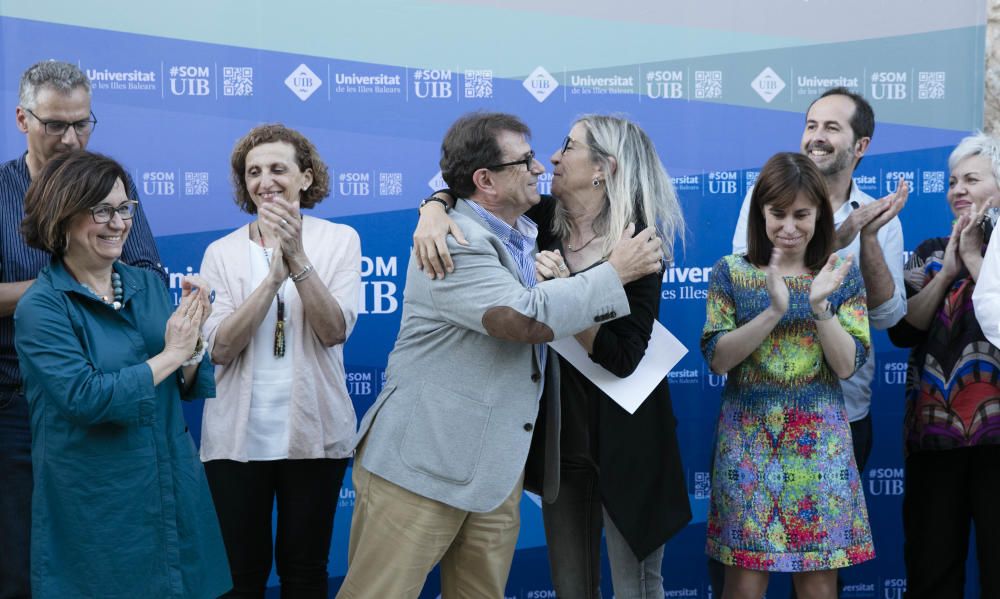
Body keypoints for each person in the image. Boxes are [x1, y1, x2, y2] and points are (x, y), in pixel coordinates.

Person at [337, 112, 663, 598]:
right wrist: (612, 273)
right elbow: (523, 319)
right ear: (487, 181)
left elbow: (621, 351)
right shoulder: (453, 238)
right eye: (526, 159)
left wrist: (435, 202)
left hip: (496, 475)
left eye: (550, 152)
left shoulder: (527, 229)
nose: (541, 164)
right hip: (425, 464)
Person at [413, 115, 692, 597]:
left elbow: (621, 356)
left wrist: (570, 294)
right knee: (570, 585)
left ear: (605, 167)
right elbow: (470, 192)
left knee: (638, 588)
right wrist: (433, 209)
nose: (554, 158)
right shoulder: (536, 220)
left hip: (631, 440)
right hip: (561, 440)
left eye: (569, 146)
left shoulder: (639, 244)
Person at [13, 150, 229, 598]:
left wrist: (192, 343)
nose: (119, 223)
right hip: (99, 503)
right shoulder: (42, 306)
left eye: (125, 208)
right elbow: (86, 398)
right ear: (62, 216)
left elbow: (183, 384)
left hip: (170, 485)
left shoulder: (146, 284)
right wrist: (173, 353)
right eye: (102, 210)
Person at [0, 59, 164, 599]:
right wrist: (65, 288)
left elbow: (147, 276)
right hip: (18, 407)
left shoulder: (112, 184)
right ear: (23, 119)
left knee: (108, 560)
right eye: (55, 125)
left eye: (83, 123)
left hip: (115, 396)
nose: (72, 138)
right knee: (25, 564)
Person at [198, 124, 361, 598]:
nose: (264, 181)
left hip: (316, 435)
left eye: (277, 169)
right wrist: (271, 280)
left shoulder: (339, 240)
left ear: (305, 178)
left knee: (305, 570)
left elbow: (333, 331)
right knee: (240, 576)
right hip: (235, 442)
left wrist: (298, 258)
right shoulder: (221, 253)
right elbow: (221, 350)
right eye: (253, 172)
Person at [702, 152, 874, 599]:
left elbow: (845, 364)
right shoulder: (731, 273)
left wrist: (819, 308)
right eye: (778, 214)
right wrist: (774, 311)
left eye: (802, 214)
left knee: (818, 583)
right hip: (748, 449)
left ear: (820, 214)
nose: (789, 227)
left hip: (821, 448)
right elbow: (718, 359)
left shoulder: (839, 275)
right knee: (744, 583)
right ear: (761, 213)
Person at [890, 132, 1000, 599]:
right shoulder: (930, 250)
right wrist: (949, 272)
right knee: (932, 573)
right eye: (953, 181)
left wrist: (975, 259)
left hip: (997, 439)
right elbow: (902, 331)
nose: (958, 189)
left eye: (971, 179)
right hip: (934, 438)